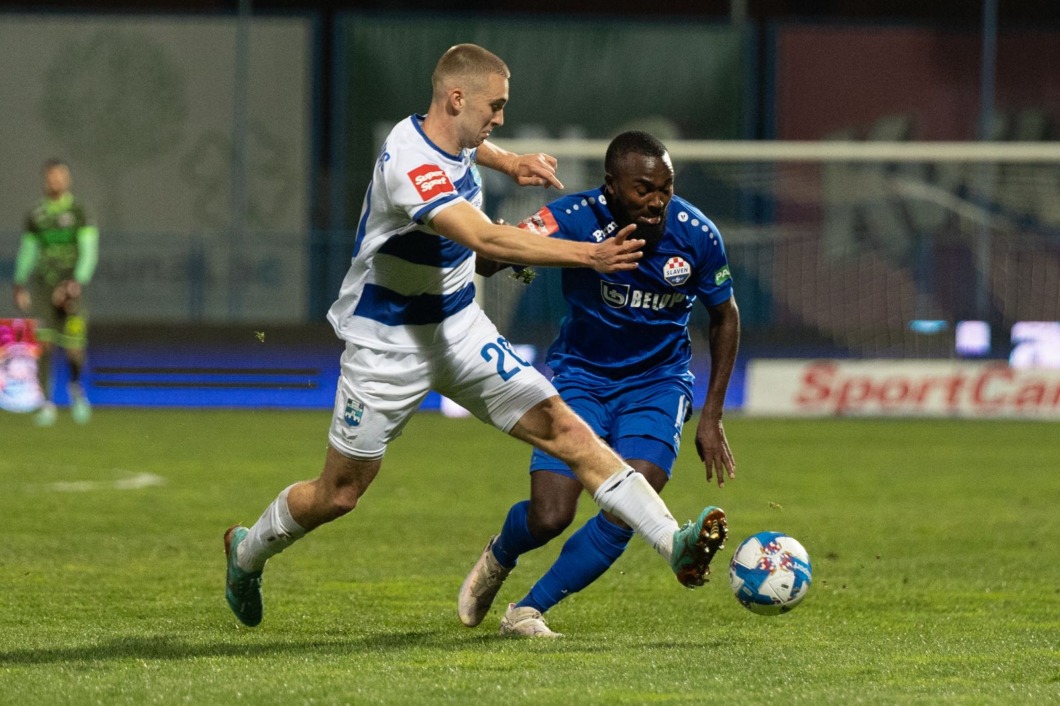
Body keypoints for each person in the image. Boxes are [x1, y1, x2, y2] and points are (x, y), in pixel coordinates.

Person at [223, 44, 726, 628]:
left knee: (566, 430)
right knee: (338, 494)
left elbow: (468, 146)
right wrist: (590, 255)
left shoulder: (447, 132)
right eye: (496, 106)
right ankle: (247, 552)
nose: (501, 118)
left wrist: (508, 162)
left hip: (460, 329)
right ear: (458, 98)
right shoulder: (409, 166)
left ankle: (673, 542)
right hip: (390, 343)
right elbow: (485, 240)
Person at [458, 130, 740, 637]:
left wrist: (713, 414)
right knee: (550, 515)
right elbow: (487, 260)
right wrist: (497, 243)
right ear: (611, 186)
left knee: (631, 503)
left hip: (658, 382)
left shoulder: (697, 234)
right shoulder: (573, 216)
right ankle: (501, 554)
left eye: (666, 189)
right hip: (581, 378)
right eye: (643, 190)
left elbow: (725, 316)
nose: (657, 201)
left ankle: (527, 610)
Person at [12, 158, 99, 426]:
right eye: (51, 177)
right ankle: (46, 403)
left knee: (74, 347)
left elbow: (89, 251)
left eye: (60, 176)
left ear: (67, 179)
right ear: (45, 180)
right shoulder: (37, 214)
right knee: (44, 345)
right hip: (44, 288)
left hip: (71, 289)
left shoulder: (79, 212)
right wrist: (19, 282)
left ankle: (76, 390)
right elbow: (28, 250)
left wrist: (76, 282)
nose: (56, 181)